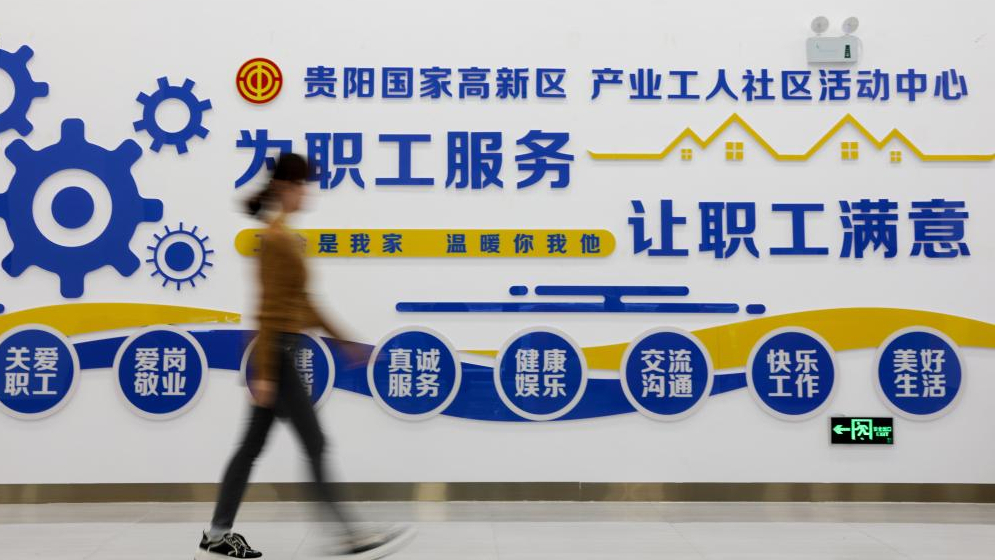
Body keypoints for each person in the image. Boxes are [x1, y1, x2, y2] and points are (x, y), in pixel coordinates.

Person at [196, 153, 413, 559]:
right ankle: (351, 537)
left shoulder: (285, 238)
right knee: (314, 442)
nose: (307, 193)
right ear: (285, 187)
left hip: (280, 353)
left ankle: (217, 535)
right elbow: (267, 310)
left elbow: (305, 304)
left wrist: (346, 343)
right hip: (276, 356)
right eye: (302, 185)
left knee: (251, 448)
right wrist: (263, 372)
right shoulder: (275, 240)